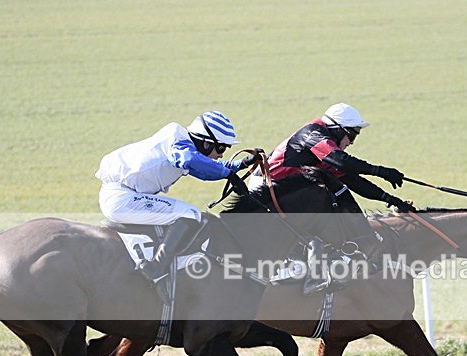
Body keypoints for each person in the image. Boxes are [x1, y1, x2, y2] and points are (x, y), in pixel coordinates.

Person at [96, 111, 259, 300]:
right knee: (190, 214)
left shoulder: (183, 146)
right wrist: (227, 174)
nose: (221, 154)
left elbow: (203, 171)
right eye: (220, 148)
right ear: (205, 142)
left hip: (125, 196)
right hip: (121, 198)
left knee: (189, 213)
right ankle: (156, 268)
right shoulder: (178, 141)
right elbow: (191, 160)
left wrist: (239, 165)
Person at [265, 102, 415, 214]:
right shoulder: (314, 134)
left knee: (339, 193)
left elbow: (353, 180)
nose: (352, 141)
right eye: (351, 135)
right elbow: (342, 161)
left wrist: (392, 200)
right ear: (337, 129)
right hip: (268, 187)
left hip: (287, 188)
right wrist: (380, 171)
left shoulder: (325, 152)